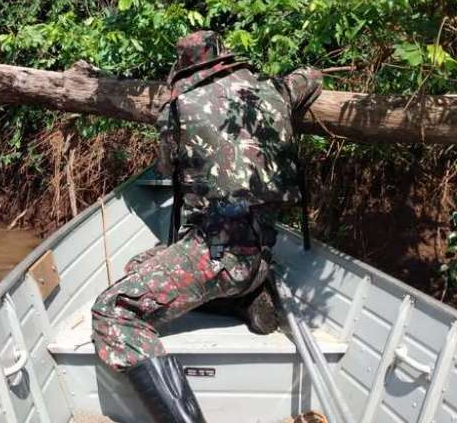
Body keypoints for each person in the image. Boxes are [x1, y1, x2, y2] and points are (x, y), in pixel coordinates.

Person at [91, 31, 323, 423]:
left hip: (215, 255)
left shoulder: (178, 108)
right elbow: (310, 78)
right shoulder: (273, 90)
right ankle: (245, 296)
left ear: (185, 67)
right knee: (140, 265)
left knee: (113, 310)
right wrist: (310, 72)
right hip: (261, 249)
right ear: (225, 57)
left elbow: (168, 168)